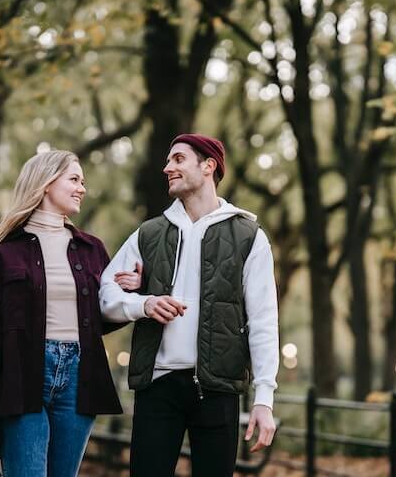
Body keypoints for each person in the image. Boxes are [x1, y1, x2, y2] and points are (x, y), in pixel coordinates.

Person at [100, 133, 280, 477]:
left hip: (218, 390)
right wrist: (144, 303)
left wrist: (264, 398)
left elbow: (263, 319)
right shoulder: (148, 234)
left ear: (208, 166)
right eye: (168, 160)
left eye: (178, 159)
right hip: (157, 387)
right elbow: (104, 297)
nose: (168, 167)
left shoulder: (249, 235)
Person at [0, 150, 126, 477]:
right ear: (47, 183)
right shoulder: (7, 254)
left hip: (80, 378)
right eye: (74, 179)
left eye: (83, 181)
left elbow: (103, 319)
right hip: (23, 377)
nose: (82, 188)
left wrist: (129, 290)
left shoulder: (92, 249)